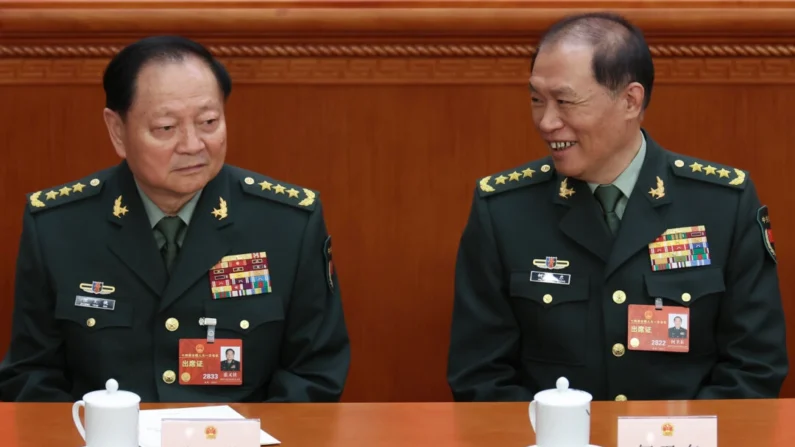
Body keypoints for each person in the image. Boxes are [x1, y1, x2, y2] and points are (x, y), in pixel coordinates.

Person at [446, 12, 787, 402]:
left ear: (630, 100)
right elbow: (480, 378)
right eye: (537, 100)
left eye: (565, 101)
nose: (546, 121)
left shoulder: (724, 205)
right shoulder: (503, 211)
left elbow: (754, 368)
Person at [0, 36, 350, 403]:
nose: (192, 145)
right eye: (166, 128)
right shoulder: (57, 227)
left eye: (209, 122)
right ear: (117, 131)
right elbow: (30, 375)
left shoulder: (289, 224)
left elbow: (314, 375)